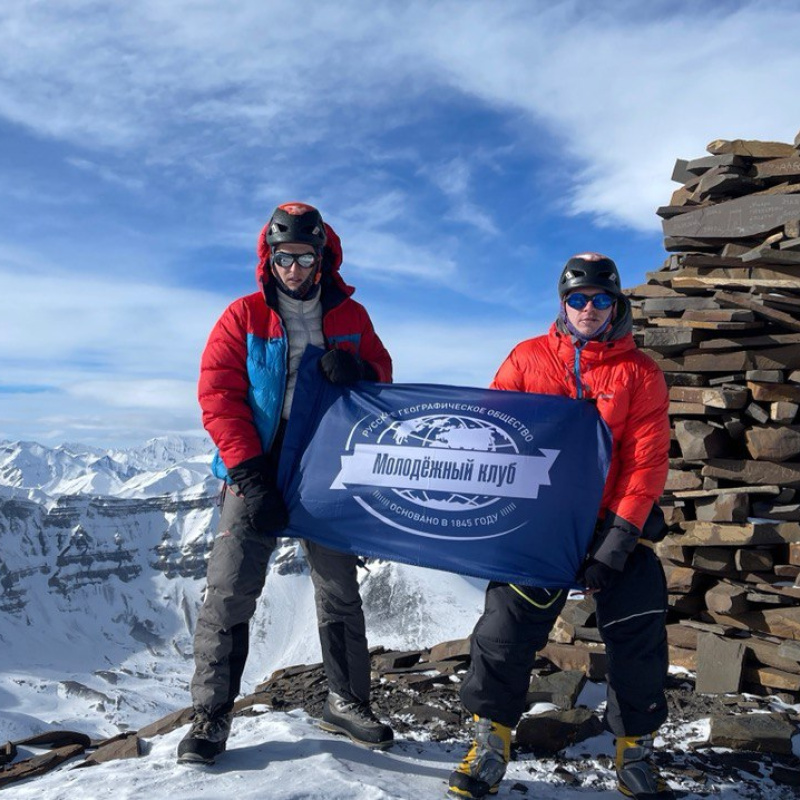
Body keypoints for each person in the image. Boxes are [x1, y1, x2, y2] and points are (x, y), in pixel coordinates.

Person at [448, 253, 673, 800]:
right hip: (539, 524)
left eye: (600, 299)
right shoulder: (526, 359)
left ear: (616, 303)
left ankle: (634, 751)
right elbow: (491, 435)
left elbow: (646, 463)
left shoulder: (640, 372)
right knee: (504, 624)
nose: (588, 309)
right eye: (577, 298)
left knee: (640, 615)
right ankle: (490, 742)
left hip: (607, 524)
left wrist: (615, 543)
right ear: (562, 303)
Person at [178, 202, 394, 765]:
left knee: (338, 590)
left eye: (303, 256)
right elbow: (219, 396)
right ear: (267, 258)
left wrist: (361, 373)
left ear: (322, 257)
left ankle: (347, 702)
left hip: (325, 471)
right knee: (228, 592)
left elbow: (384, 376)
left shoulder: (352, 317)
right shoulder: (242, 316)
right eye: (283, 257)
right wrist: (250, 475)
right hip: (257, 469)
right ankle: (211, 715)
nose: (293, 269)